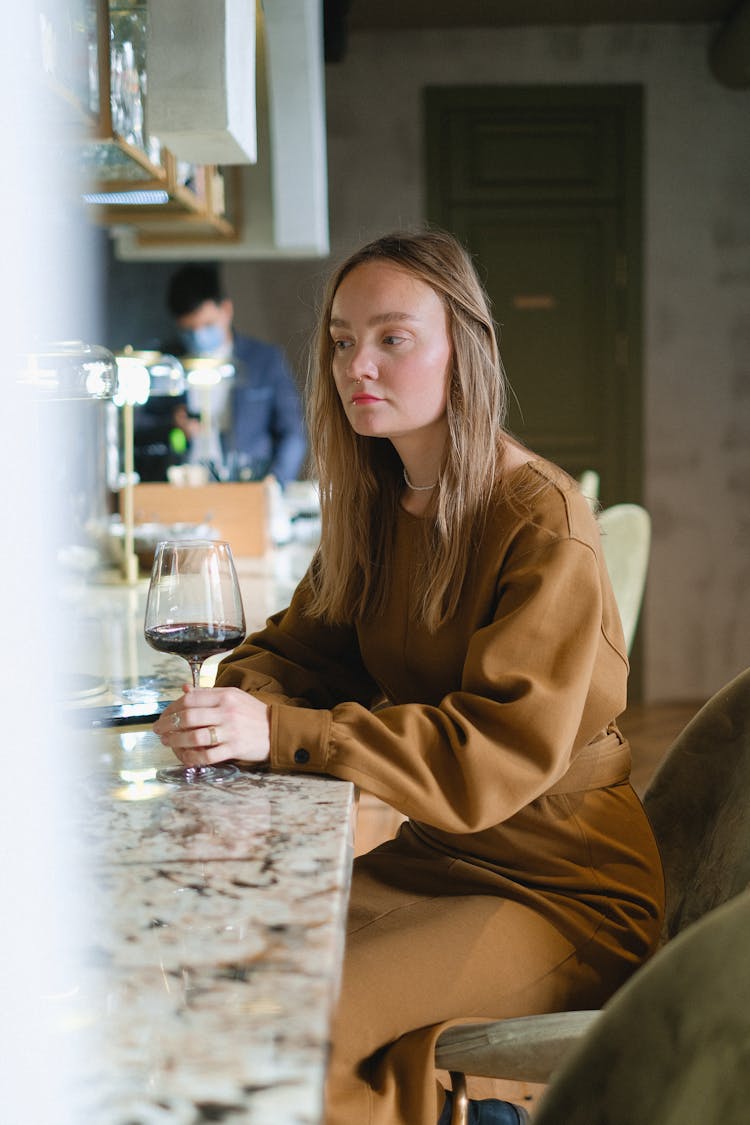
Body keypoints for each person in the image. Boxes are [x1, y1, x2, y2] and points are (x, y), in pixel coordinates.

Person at [153, 230, 665, 1125]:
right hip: (437, 855)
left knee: (289, 1019)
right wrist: (239, 703)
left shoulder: (540, 517)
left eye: (393, 337)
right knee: (219, 970)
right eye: (344, 341)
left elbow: (492, 750)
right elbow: (296, 652)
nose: (360, 364)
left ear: (463, 349)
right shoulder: (379, 505)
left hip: (558, 887)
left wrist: (274, 730)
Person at [163, 262, 307, 485]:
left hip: (248, 485)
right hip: (187, 485)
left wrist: (275, 482)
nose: (200, 336)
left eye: (208, 324)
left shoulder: (264, 360)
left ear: (226, 310)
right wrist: (175, 425)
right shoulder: (167, 364)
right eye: (190, 330)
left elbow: (293, 434)